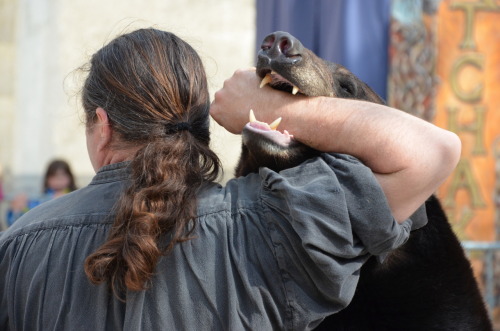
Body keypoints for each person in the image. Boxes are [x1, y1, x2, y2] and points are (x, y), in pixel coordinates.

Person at [0, 28, 460, 330]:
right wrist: (267, 108)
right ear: (203, 126)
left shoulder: (15, 249)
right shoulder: (265, 229)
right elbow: (434, 150)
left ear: (101, 126)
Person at [5, 159, 77, 226]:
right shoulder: (39, 200)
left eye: (63, 176)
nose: (59, 180)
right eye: (54, 176)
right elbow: (17, 224)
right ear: (47, 179)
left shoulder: (77, 197)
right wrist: (16, 210)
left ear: (70, 177)